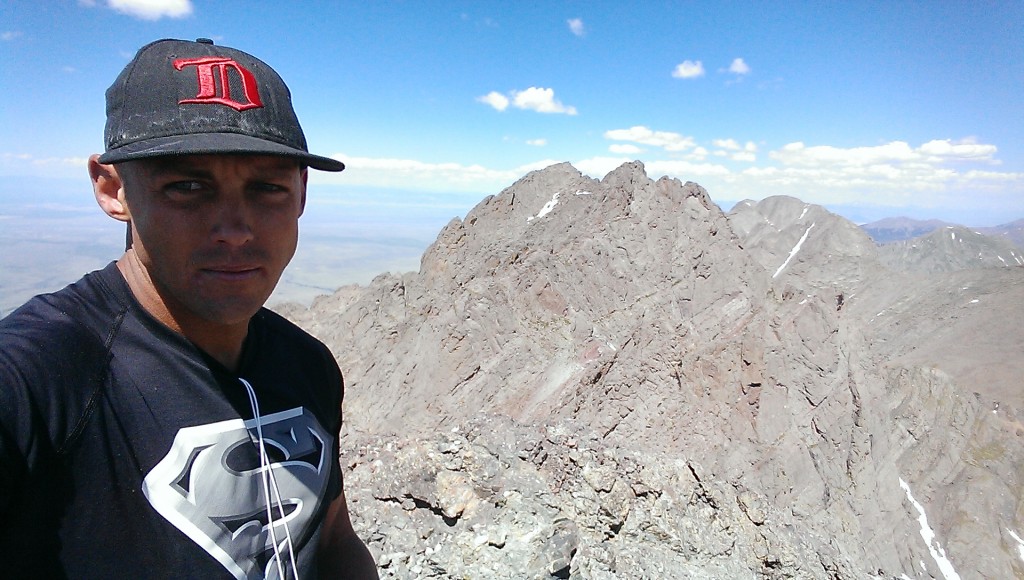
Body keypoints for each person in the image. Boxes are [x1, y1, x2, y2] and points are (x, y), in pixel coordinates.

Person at [0, 38, 378, 579]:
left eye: (266, 187)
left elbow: (334, 537)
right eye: (187, 186)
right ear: (112, 189)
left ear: (301, 194)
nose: (234, 230)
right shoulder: (40, 377)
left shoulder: (306, 364)